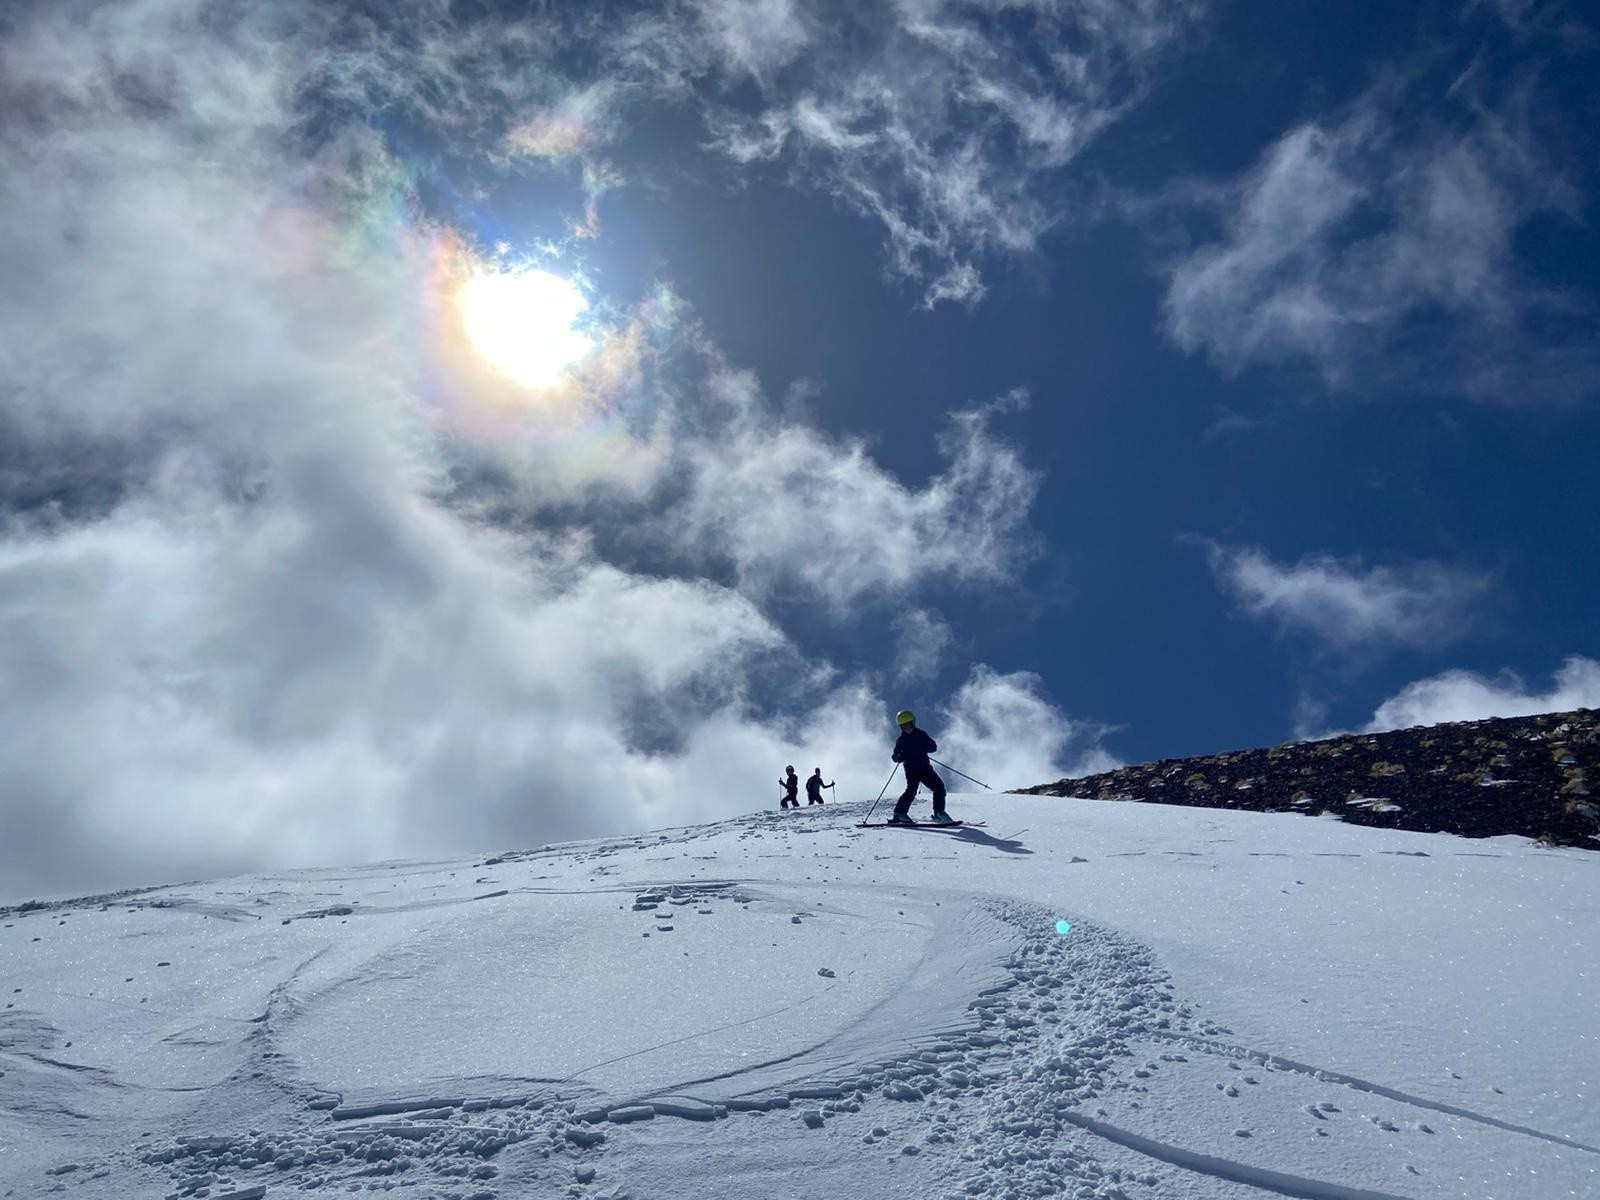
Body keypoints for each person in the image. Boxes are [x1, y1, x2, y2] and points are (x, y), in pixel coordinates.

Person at [890, 710, 951, 825]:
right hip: (911, 770)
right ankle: (899, 813)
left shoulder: (921, 734)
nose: (906, 728)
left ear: (913, 723)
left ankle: (939, 812)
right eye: (903, 726)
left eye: (908, 725)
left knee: (939, 787)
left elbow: (933, 747)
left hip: (925, 768)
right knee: (911, 791)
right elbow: (895, 757)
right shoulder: (901, 740)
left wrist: (924, 747)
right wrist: (901, 756)